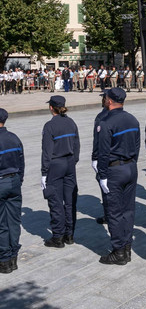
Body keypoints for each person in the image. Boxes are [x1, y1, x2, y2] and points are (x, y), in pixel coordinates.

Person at [97, 88, 140, 265]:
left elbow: (103, 152)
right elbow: (137, 145)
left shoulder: (106, 122)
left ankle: (119, 251)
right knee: (128, 210)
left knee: (114, 212)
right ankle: (127, 245)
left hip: (114, 170)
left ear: (109, 101)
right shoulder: (132, 119)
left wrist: (103, 175)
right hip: (130, 166)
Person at [41, 96, 80, 248]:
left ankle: (58, 237)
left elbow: (47, 152)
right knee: (70, 201)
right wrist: (73, 160)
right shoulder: (71, 122)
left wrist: (44, 172)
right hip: (70, 163)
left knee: (55, 201)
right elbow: (77, 145)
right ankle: (69, 235)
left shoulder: (49, 126)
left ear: (51, 107)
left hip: (56, 165)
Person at [0, 109, 24, 274]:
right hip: (14, 181)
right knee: (14, 221)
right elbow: (21, 162)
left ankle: (4, 259)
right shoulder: (14, 138)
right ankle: (13, 256)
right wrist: (19, 180)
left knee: (1, 224)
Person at [92, 92, 109, 224]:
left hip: (105, 159)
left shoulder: (101, 116)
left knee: (106, 188)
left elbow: (97, 140)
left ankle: (108, 214)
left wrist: (94, 157)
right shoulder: (124, 116)